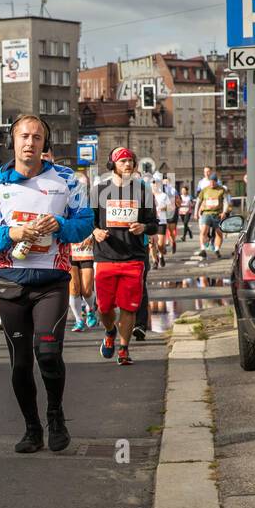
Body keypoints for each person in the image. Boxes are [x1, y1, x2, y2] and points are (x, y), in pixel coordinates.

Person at [0, 114, 94, 453]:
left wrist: (60, 226)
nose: (30, 142)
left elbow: (85, 223)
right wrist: (10, 233)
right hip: (10, 284)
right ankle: (31, 427)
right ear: (13, 141)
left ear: (44, 143)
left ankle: (55, 414)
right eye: (24, 136)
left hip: (51, 282)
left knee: (49, 354)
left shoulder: (67, 179)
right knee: (21, 363)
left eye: (37, 137)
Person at [89, 147, 158, 366]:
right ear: (112, 165)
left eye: (130, 161)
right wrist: (95, 231)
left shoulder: (143, 191)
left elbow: (155, 225)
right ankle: (109, 331)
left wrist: (143, 227)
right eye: (122, 161)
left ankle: (124, 349)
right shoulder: (99, 190)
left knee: (129, 307)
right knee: (104, 308)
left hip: (133, 258)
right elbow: (88, 221)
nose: (127, 165)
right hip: (106, 258)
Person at [196, 174, 230, 261]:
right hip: (206, 213)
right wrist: (195, 212)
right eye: (210, 182)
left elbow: (226, 202)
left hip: (217, 214)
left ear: (216, 181)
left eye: (213, 182)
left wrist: (224, 212)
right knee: (204, 230)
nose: (212, 183)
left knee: (219, 233)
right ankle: (203, 249)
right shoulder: (205, 190)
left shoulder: (221, 190)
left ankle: (217, 249)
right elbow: (198, 202)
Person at [150, 174, 172, 268]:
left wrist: (164, 208)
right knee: (151, 244)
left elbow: (170, 207)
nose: (155, 184)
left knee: (160, 245)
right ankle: (155, 261)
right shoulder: (147, 195)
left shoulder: (164, 195)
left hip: (161, 222)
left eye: (156, 182)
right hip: (150, 222)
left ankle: (161, 255)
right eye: (153, 182)